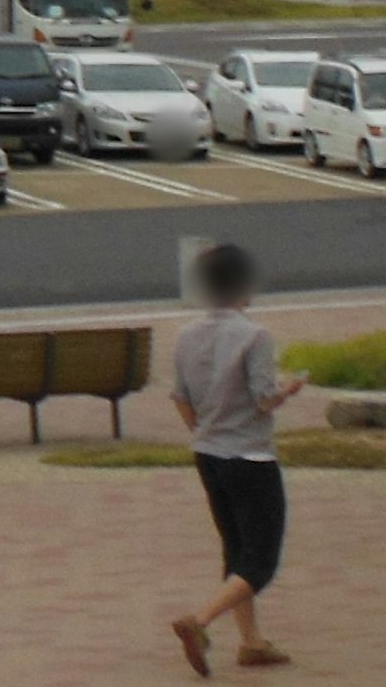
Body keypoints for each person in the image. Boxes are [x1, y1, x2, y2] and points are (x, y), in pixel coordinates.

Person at [168, 240, 305, 673]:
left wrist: (204, 430)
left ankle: (251, 642)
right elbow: (264, 400)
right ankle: (200, 621)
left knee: (236, 547)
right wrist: (289, 389)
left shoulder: (187, 335)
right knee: (260, 559)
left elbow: (181, 398)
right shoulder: (255, 336)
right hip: (250, 456)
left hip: (208, 454)